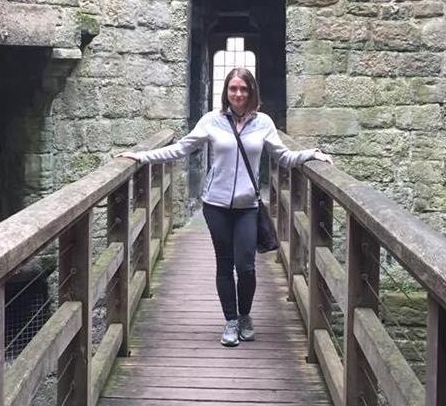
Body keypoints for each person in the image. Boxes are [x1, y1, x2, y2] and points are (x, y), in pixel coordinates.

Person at [118, 68, 332, 347]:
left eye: (243, 89)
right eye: (233, 89)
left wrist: (311, 154)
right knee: (224, 264)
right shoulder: (212, 120)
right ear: (226, 91)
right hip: (215, 205)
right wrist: (141, 156)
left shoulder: (263, 122)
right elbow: (180, 149)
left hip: (247, 206)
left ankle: (245, 316)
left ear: (252, 92)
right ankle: (230, 321)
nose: (238, 94)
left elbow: (283, 156)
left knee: (246, 267)